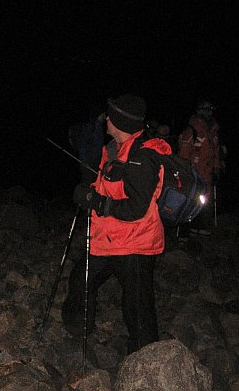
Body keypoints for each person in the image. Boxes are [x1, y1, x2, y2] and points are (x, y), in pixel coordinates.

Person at [62, 93, 171, 354]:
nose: (107, 118)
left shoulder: (143, 157)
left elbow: (135, 208)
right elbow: (109, 186)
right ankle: (79, 329)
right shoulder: (115, 149)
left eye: (111, 115)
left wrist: (95, 202)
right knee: (81, 279)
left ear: (120, 121)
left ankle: (147, 358)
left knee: (137, 306)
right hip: (109, 239)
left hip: (136, 243)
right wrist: (90, 188)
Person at [177, 100, 221, 239]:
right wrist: (185, 173)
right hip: (194, 172)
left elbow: (215, 152)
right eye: (206, 109)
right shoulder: (192, 130)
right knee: (189, 201)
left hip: (207, 173)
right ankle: (184, 231)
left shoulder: (213, 130)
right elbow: (183, 154)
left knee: (204, 201)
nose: (209, 112)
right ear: (199, 111)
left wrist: (216, 169)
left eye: (210, 109)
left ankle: (199, 226)